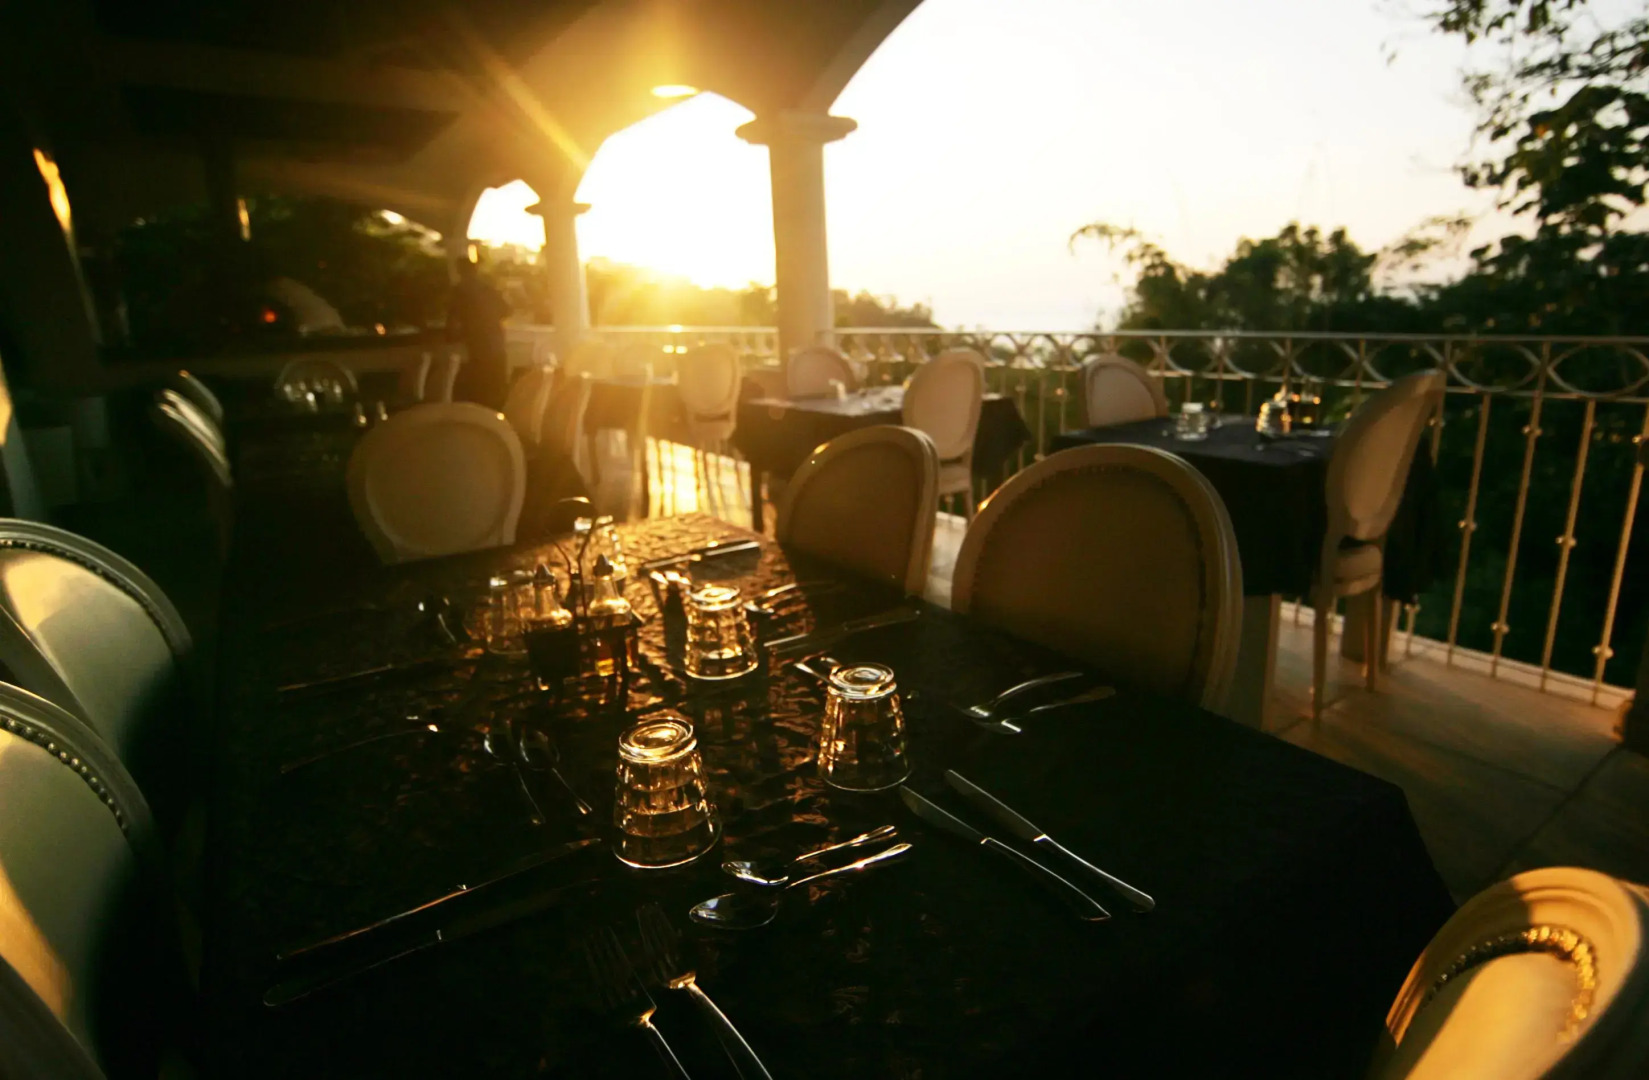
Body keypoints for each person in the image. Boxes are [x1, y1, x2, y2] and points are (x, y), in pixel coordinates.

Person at [446, 257, 511, 410]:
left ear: (460, 271)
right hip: (496, 343)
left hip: (478, 345)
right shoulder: (488, 288)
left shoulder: (460, 291)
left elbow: (452, 319)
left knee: (481, 389)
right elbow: (507, 310)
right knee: (497, 386)